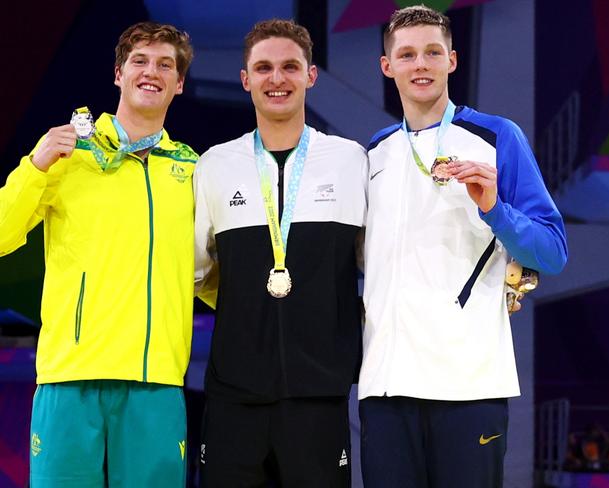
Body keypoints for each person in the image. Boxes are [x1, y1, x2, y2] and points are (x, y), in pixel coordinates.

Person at [359, 6, 568, 488]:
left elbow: (553, 250)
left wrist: (496, 208)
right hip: (386, 387)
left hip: (468, 384)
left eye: (433, 52)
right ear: (387, 66)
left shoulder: (496, 137)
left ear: (452, 60)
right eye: (407, 54)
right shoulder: (375, 152)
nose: (421, 65)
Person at [0, 22, 197, 487]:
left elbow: (208, 270)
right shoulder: (68, 153)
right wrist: (35, 166)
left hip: (156, 380)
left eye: (165, 64)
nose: (152, 72)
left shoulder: (191, 169)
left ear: (180, 83)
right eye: (140, 61)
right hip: (72, 376)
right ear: (118, 74)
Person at [194, 19, 367, 488]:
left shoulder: (351, 160)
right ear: (246, 79)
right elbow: (197, 271)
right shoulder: (214, 165)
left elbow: (373, 260)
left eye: (290, 67)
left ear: (311, 75)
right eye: (264, 68)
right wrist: (245, 311)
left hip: (320, 395)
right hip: (234, 396)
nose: (277, 79)